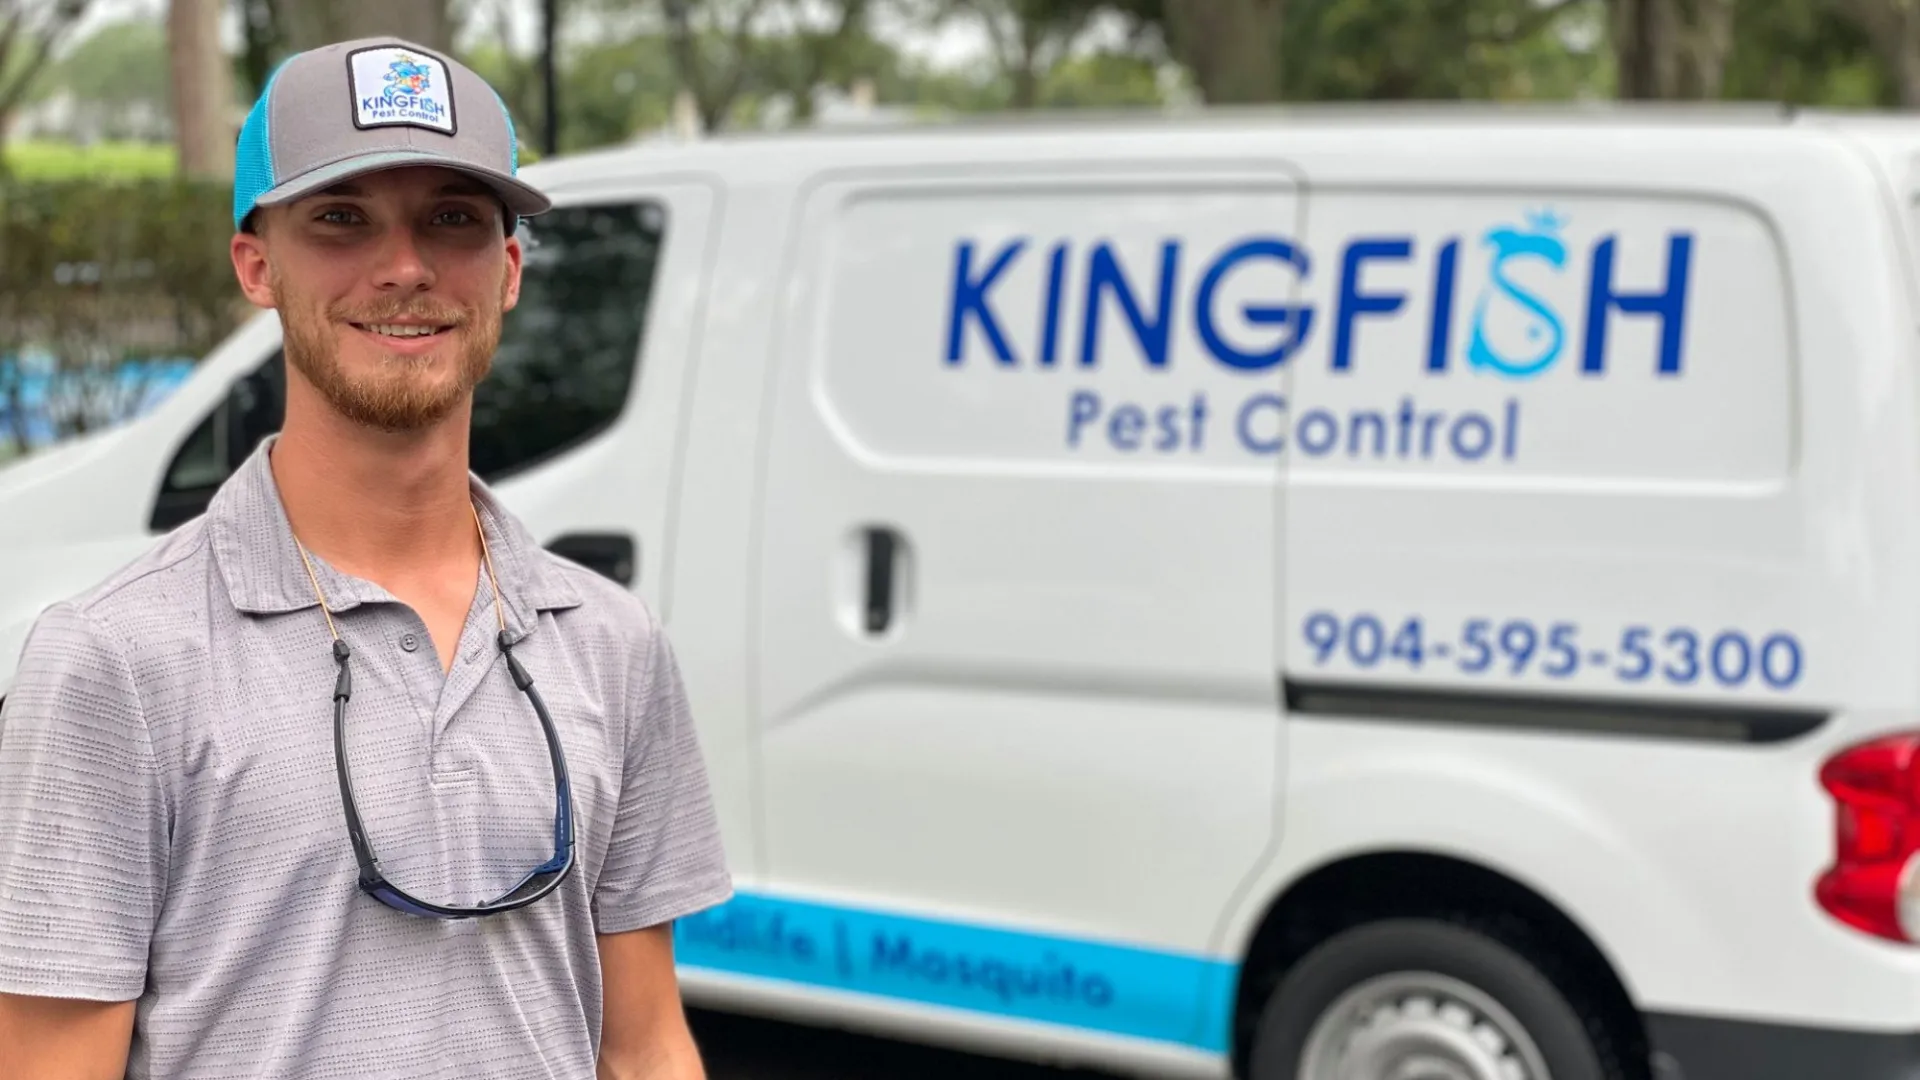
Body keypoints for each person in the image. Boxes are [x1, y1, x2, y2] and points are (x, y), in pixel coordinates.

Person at [0, 36, 732, 1080]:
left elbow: (647, 1046)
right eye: (341, 218)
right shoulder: (113, 659)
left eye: (454, 218)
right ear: (256, 264)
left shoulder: (612, 642)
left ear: (509, 269)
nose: (405, 266)